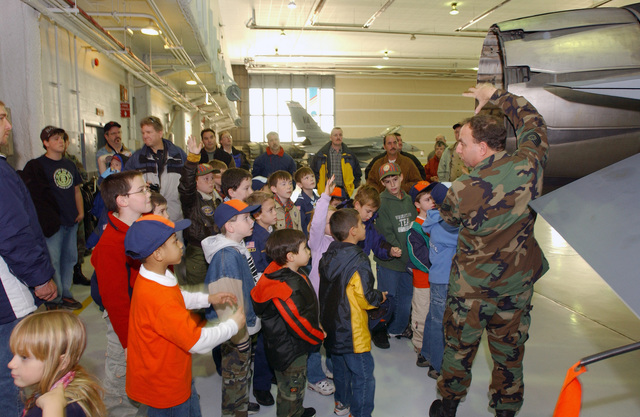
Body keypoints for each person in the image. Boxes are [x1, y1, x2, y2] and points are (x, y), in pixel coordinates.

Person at [429, 84, 549, 417]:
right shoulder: (530, 165)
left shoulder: (463, 189)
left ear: (482, 148)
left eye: (463, 144)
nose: (458, 148)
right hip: (516, 286)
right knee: (509, 352)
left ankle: (449, 402)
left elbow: (451, 222)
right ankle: (507, 408)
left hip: (471, 291)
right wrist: (496, 96)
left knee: (458, 347)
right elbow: (533, 123)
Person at [124, 214, 244, 416]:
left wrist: (208, 299)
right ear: (158, 254)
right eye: (174, 241)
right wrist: (232, 325)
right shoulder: (158, 298)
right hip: (165, 389)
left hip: (175, 372)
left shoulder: (155, 275)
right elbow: (198, 341)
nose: (181, 244)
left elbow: (177, 295)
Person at [0, 100, 58, 417]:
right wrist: (40, 278)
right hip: (7, 300)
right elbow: (12, 233)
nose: (9, 126)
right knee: (10, 379)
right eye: (2, 118)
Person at [90, 171, 151, 415]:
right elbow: (115, 300)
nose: (148, 193)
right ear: (122, 200)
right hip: (123, 324)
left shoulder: (139, 228)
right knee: (120, 379)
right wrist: (127, 342)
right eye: (142, 190)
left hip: (142, 313)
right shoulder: (111, 243)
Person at [319, 208, 387, 417]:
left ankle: (342, 403)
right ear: (352, 231)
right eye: (361, 223)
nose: (364, 226)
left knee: (339, 368)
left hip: (332, 326)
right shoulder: (358, 260)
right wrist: (380, 297)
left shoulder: (328, 255)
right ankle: (360, 413)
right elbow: (365, 298)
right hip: (352, 328)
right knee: (364, 376)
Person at [251, 229, 322, 417]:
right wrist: (318, 336)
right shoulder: (286, 288)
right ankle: (291, 412)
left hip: (284, 344)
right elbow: (299, 323)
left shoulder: (282, 271)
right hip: (291, 349)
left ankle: (295, 410)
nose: (308, 251)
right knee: (292, 387)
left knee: (292, 386)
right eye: (304, 248)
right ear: (290, 256)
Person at [202, 200, 264, 416]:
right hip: (235, 332)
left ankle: (241, 402)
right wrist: (240, 336)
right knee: (235, 376)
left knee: (241, 372)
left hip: (242, 325)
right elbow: (227, 303)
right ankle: (235, 409)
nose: (252, 221)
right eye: (246, 218)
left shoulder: (237, 248)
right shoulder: (225, 257)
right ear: (229, 226)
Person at [21, 125, 84, 310]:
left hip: (70, 221)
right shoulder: (38, 166)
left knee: (70, 259)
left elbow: (76, 190)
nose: (60, 142)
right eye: (55, 139)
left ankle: (66, 294)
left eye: (62, 138)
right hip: (52, 224)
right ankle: (53, 299)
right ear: (45, 143)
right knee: (53, 260)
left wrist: (80, 212)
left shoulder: (69, 165)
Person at [8, 310, 106, 417]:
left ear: (62, 362)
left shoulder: (66, 408)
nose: (11, 364)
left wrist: (52, 407)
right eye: (13, 354)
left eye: (24, 357)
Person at [372, 162, 416, 346]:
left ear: (401, 178)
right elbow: (387, 233)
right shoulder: (381, 203)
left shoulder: (409, 200)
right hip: (390, 262)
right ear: (383, 183)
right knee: (387, 299)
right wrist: (404, 256)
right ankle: (378, 329)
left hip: (408, 262)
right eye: (388, 181)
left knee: (405, 300)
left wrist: (414, 258)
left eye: (395, 179)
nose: (392, 184)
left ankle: (396, 329)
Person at [244, 191, 278, 407]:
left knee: (275, 340)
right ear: (257, 215)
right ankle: (261, 386)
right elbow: (258, 271)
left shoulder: (268, 230)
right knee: (266, 343)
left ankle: (271, 373)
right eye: (271, 210)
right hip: (265, 295)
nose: (276, 213)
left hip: (275, 291)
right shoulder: (254, 238)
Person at [305, 177, 338, 397]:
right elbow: (318, 224)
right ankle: (315, 377)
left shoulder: (340, 243)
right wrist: (325, 197)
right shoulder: (317, 243)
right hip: (316, 300)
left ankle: (334, 369)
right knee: (315, 340)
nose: (332, 225)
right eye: (329, 221)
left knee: (334, 337)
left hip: (334, 302)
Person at [420, 182, 455, 381]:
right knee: (440, 322)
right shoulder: (449, 227)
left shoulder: (434, 219)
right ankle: (437, 363)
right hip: (444, 279)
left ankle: (426, 354)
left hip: (437, 277)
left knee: (433, 317)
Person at [124, 116, 186, 223]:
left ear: (160, 133)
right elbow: (125, 184)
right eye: (143, 133)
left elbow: (189, 182)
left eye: (148, 132)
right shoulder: (137, 158)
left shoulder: (178, 155)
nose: (145, 136)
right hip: (148, 217)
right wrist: (141, 185)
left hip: (174, 216)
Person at [179, 135, 220, 286]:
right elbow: (185, 184)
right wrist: (192, 158)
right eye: (205, 179)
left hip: (215, 247)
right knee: (199, 291)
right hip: (198, 252)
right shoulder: (191, 199)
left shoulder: (216, 198)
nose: (211, 182)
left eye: (212, 178)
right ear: (195, 182)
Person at [406, 181, 434, 356]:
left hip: (439, 281)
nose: (432, 202)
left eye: (433, 198)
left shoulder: (439, 222)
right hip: (424, 280)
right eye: (427, 199)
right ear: (417, 205)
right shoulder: (415, 228)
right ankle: (419, 343)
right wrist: (435, 269)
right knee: (421, 312)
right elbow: (418, 257)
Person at [310, 127, 361, 195]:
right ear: (331, 137)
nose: (338, 137)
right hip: (326, 192)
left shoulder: (350, 155)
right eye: (335, 135)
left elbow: (357, 172)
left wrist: (352, 186)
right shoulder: (321, 155)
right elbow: (313, 172)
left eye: (340, 135)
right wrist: (319, 186)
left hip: (344, 192)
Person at [294, 166, 319, 236]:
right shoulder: (300, 203)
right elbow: (301, 226)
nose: (311, 179)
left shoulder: (318, 199)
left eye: (312, 176)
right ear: (299, 184)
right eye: (306, 178)